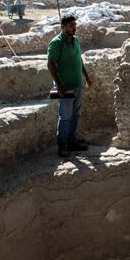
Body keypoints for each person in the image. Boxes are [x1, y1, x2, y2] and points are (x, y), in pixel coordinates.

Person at [47, 15, 92, 157]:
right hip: (65, 86)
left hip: (77, 84)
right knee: (65, 116)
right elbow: (50, 64)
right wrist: (59, 85)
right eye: (71, 25)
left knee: (75, 115)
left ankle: (72, 142)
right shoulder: (56, 43)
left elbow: (79, 59)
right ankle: (62, 146)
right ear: (63, 27)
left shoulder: (76, 40)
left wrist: (87, 76)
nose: (74, 27)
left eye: (75, 24)